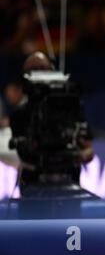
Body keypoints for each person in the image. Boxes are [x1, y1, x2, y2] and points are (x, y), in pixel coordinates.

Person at [9, 51, 94, 196]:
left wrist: (81, 153)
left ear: (52, 71)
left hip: (69, 182)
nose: (39, 74)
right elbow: (21, 153)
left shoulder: (71, 107)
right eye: (33, 70)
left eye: (43, 69)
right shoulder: (19, 114)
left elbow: (87, 150)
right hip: (32, 188)